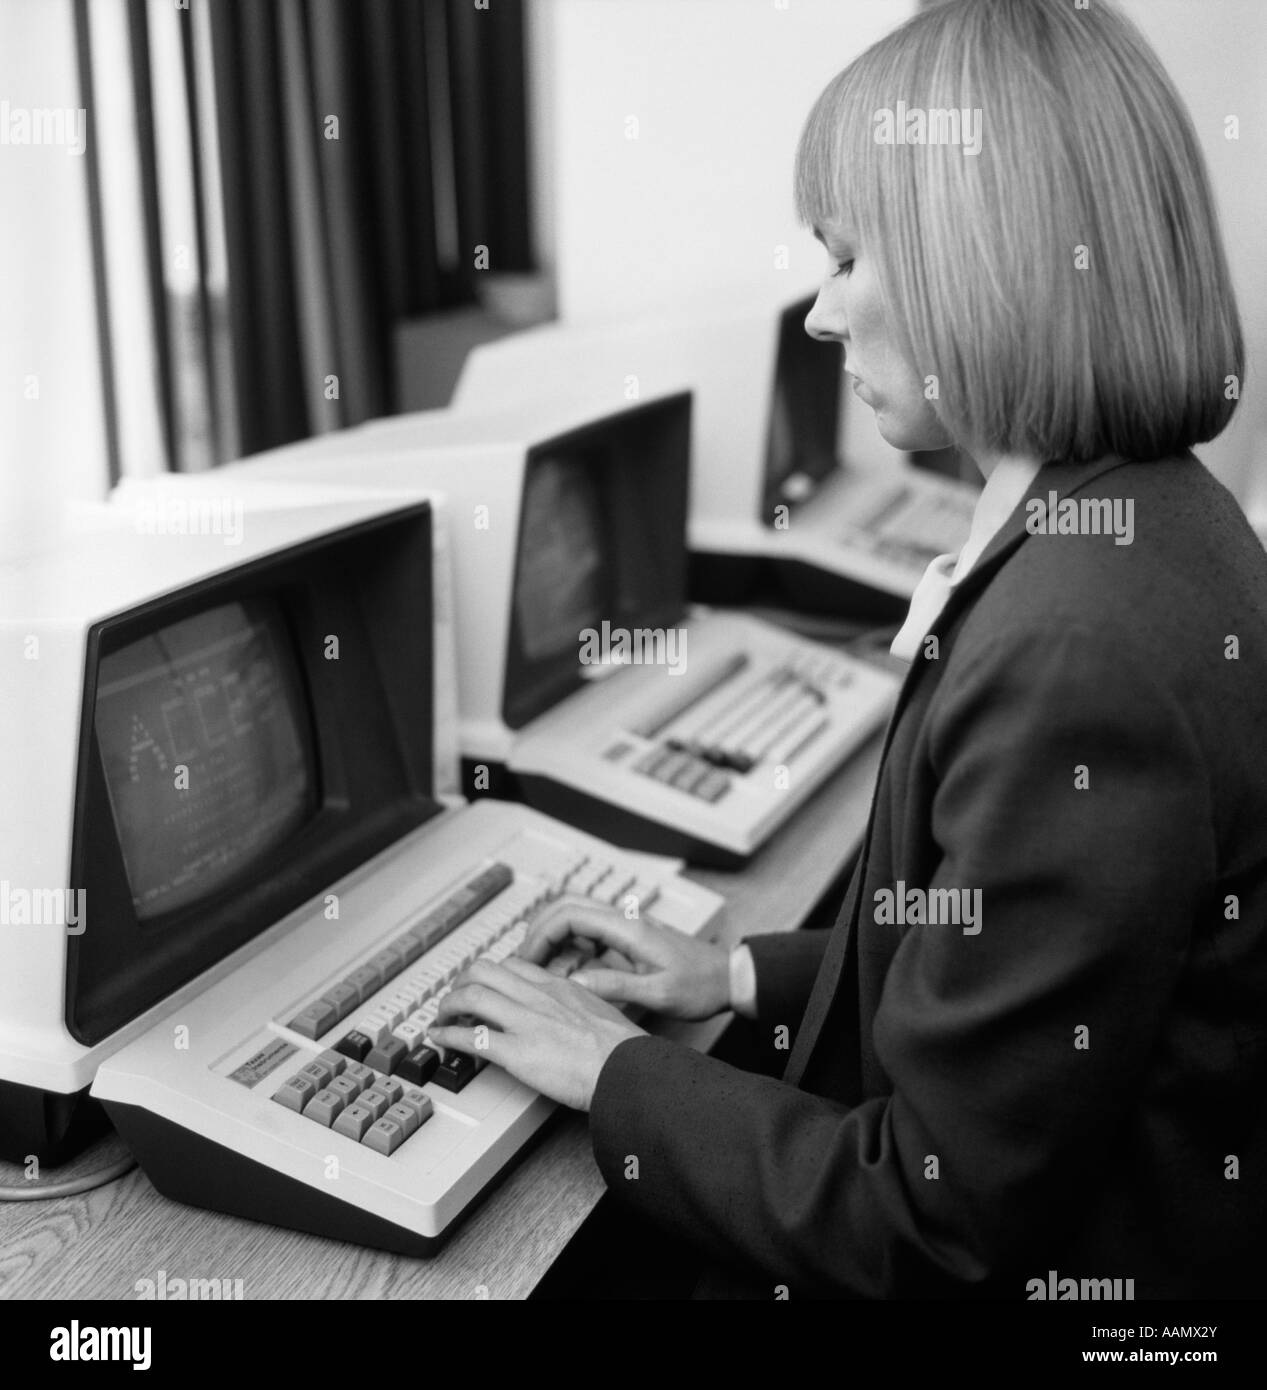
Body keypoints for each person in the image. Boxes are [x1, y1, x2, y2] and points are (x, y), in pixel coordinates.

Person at [432, 0, 1267, 1298]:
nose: (819, 317)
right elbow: (1014, 966)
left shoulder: (1074, 650)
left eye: (844, 258)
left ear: (975, 260)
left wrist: (611, 1068)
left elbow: (929, 1223)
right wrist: (735, 967)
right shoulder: (1160, 521)